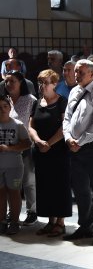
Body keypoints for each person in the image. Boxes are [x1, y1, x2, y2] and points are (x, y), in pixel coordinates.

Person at [62, 59, 93, 245]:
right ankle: (85, 227)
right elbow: (67, 118)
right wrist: (68, 138)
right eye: (75, 72)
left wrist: (79, 142)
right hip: (74, 145)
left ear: (92, 74)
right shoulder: (74, 91)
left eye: (81, 72)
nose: (76, 75)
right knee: (81, 189)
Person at [28, 70, 71, 237]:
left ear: (55, 84)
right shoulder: (36, 102)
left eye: (46, 83)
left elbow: (64, 127)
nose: (42, 86)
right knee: (45, 185)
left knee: (59, 185)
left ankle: (60, 222)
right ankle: (50, 220)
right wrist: (38, 141)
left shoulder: (62, 102)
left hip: (58, 151)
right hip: (40, 150)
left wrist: (49, 143)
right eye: (40, 83)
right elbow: (31, 126)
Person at [4, 71, 37, 225]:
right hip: (8, 147)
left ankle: (32, 211)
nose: (8, 84)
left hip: (25, 145)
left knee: (29, 180)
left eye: (12, 81)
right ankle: (12, 213)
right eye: (7, 81)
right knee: (10, 182)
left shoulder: (30, 100)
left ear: (21, 82)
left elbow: (33, 122)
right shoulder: (5, 100)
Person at [0, 95, 31, 235]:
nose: (2, 110)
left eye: (5, 106)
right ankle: (2, 221)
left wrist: (10, 148)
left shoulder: (17, 124)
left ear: (10, 107)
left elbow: (27, 143)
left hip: (14, 165)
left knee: (14, 193)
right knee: (0, 194)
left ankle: (14, 221)